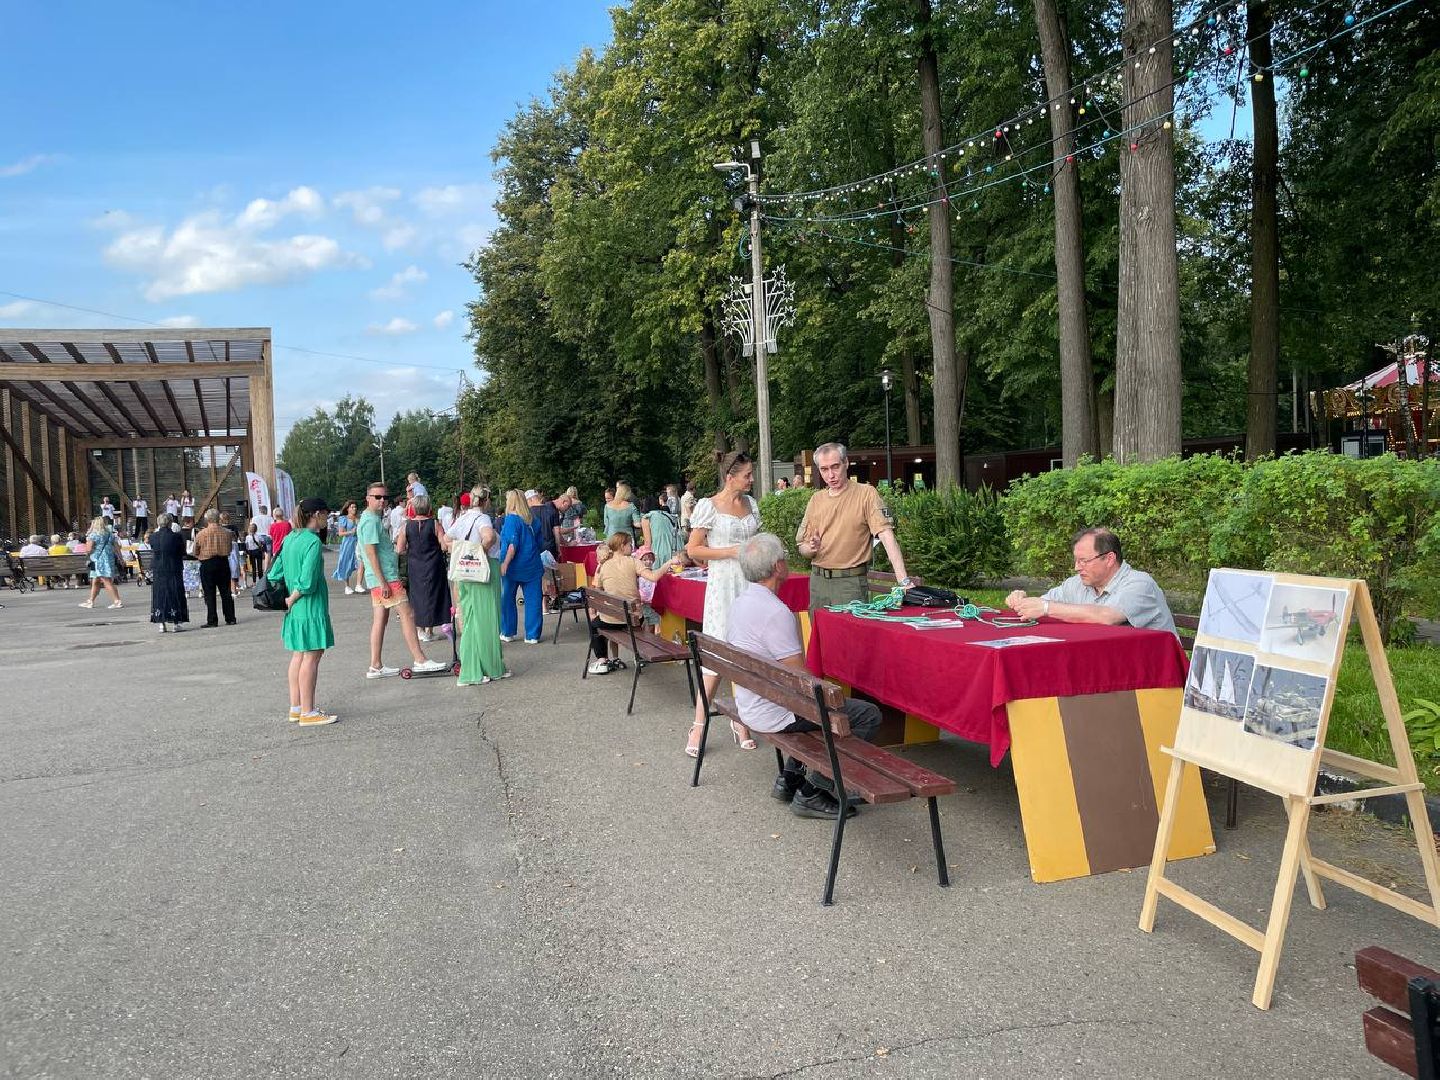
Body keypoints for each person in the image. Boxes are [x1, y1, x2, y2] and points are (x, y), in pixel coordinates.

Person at [726, 533, 881, 819]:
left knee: (821, 705)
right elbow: (803, 682)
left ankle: (789, 778)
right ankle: (814, 790)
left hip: (752, 701)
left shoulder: (741, 602)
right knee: (866, 714)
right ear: (778, 567)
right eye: (783, 557)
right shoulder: (776, 612)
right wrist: (831, 691)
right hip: (772, 711)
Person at [684, 450, 760, 757]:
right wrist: (729, 552)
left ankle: (741, 721)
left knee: (746, 656)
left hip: (751, 584)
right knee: (716, 662)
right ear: (730, 477)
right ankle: (699, 725)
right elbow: (694, 550)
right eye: (747, 475)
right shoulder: (708, 506)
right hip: (723, 585)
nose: (752, 479)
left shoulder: (751, 504)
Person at [796, 441, 914, 612]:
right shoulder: (816, 500)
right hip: (817, 582)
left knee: (849, 638)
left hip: (850, 584)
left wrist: (903, 581)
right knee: (819, 637)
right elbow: (803, 548)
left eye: (835, 467)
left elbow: (886, 536)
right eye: (824, 469)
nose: (831, 475)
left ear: (846, 463)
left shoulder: (866, 494)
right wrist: (811, 548)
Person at [1005, 526, 1177, 635]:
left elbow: (1107, 616)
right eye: (1076, 561)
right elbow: (1042, 604)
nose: (1077, 567)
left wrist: (1046, 608)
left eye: (1084, 561)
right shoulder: (1078, 584)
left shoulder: (1140, 584)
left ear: (1109, 559)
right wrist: (1022, 600)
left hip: (1155, 676)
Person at [357, 481, 444, 678]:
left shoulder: (369, 519)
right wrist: (383, 582)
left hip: (379, 577)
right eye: (377, 497)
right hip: (385, 577)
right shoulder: (370, 521)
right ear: (368, 499)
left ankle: (376, 664)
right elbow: (370, 553)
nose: (382, 501)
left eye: (384, 497)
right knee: (408, 614)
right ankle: (419, 659)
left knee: (381, 619)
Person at [268, 497, 339, 727]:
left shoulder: (290, 538)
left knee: (298, 655)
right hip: (310, 605)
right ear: (316, 514)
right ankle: (308, 711)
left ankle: (296, 707)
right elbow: (307, 580)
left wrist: (287, 597)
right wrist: (293, 596)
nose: (327, 518)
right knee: (312, 656)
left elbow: (274, 573)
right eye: (325, 514)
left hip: (294, 610)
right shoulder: (312, 541)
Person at [586, 533, 677, 674]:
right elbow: (653, 577)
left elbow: (597, 591)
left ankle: (602, 660)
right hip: (633, 619)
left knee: (594, 626)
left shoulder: (604, 566)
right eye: (630, 544)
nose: (632, 547)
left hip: (610, 619)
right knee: (635, 615)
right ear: (622, 546)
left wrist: (594, 613)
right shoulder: (633, 561)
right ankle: (633, 656)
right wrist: (669, 563)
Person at [447, 485, 509, 685]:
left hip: (464, 573)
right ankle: (490, 667)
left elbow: (446, 540)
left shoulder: (462, 518)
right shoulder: (483, 518)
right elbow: (489, 537)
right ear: (487, 501)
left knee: (471, 619)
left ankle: (472, 668)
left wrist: (464, 554)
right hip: (483, 570)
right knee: (487, 619)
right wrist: (478, 554)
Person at [397, 493, 449, 642]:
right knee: (432, 594)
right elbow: (444, 546)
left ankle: (419, 629)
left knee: (417, 595)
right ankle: (429, 630)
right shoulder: (434, 524)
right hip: (433, 564)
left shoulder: (406, 525)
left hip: (415, 564)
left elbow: (400, 549)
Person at [498, 488, 544, 645]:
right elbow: (539, 543)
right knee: (533, 600)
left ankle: (508, 631)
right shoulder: (533, 519)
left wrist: (505, 563)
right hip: (532, 564)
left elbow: (512, 545)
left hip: (513, 567)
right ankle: (532, 635)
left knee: (507, 599)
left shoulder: (511, 519)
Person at [193, 509, 237, 627]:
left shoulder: (201, 534)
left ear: (207, 519)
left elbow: (195, 551)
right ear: (219, 519)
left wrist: (200, 555)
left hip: (207, 563)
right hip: (223, 563)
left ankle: (212, 620)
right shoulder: (228, 533)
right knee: (226, 592)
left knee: (209, 593)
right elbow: (230, 549)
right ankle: (230, 617)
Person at [149, 513, 189, 632]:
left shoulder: (153, 537)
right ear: (170, 523)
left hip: (158, 569)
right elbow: (183, 552)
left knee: (159, 594)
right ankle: (176, 622)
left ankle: (161, 622)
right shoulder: (177, 537)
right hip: (173, 568)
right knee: (175, 593)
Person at [78, 516, 123, 609]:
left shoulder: (93, 535)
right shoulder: (110, 534)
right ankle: (91, 600)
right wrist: (121, 558)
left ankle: (117, 601)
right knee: (96, 580)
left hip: (98, 559)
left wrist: (86, 552)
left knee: (106, 581)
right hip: (109, 558)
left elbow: (89, 549)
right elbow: (117, 547)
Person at [640, 496, 680, 567]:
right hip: (676, 549)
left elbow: (648, 542)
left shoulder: (647, 518)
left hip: (659, 551)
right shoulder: (667, 515)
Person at [331, 501, 360, 594]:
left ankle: (358, 584)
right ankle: (347, 586)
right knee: (346, 563)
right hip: (348, 543)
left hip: (358, 542)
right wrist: (351, 532)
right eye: (352, 507)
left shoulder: (358, 518)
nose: (354, 509)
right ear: (347, 508)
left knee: (361, 563)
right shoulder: (344, 519)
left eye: (355, 507)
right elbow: (340, 533)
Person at [180, 515, 202, 598]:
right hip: (196, 557)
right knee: (198, 575)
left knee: (186, 576)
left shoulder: (180, 533)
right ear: (191, 522)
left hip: (185, 558)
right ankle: (200, 591)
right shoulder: (196, 531)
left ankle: (187, 592)